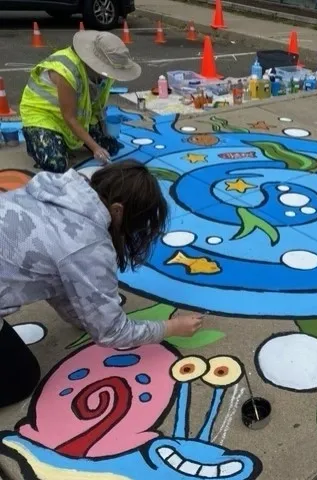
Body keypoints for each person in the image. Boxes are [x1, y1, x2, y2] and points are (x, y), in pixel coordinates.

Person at [0, 161, 204, 408]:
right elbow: (112, 332)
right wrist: (171, 327)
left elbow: (56, 278)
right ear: (117, 211)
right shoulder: (86, 244)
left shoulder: (62, 189)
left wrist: (86, 317)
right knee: (21, 380)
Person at [20, 30, 140, 173]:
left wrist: (102, 132)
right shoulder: (66, 71)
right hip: (43, 117)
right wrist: (95, 147)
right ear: (97, 63)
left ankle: (63, 140)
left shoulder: (105, 73)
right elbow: (69, 117)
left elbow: (96, 106)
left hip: (74, 116)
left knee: (111, 148)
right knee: (55, 164)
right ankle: (35, 139)